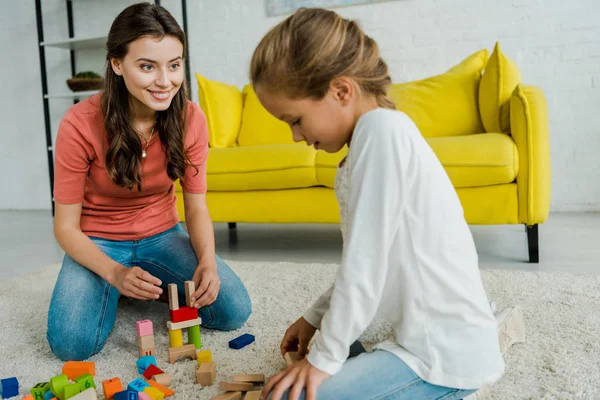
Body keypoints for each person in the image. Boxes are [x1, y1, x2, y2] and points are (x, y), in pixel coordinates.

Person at [250, 8, 524, 400]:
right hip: (420, 337)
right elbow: (365, 261)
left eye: (295, 120)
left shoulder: (381, 135)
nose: (295, 136)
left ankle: (464, 382)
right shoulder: (373, 137)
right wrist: (315, 318)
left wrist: (324, 358)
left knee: (291, 394)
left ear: (341, 91)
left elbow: (365, 266)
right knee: (306, 371)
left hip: (442, 354)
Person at [47, 3, 251, 361]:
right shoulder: (78, 123)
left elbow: (196, 205)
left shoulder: (191, 118)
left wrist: (207, 261)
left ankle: (143, 285)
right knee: (71, 345)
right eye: (147, 66)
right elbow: (65, 227)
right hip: (97, 240)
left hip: (162, 235)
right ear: (116, 64)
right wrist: (114, 273)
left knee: (232, 311)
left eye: (174, 65)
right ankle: (119, 288)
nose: (165, 81)